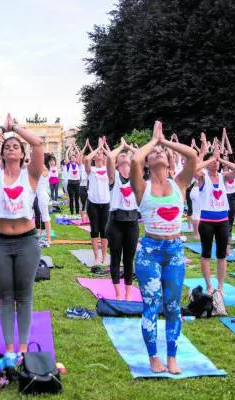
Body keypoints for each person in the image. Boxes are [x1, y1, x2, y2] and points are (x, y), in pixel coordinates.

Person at [131, 121, 198, 374]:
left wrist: (164, 142)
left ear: (170, 161)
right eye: (153, 153)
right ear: (148, 162)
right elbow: (135, 160)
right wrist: (153, 142)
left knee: (172, 306)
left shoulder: (180, 183)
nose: (158, 153)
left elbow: (192, 156)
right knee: (151, 305)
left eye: (162, 153)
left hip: (174, 251)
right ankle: (153, 358)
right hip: (149, 251)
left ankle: (172, 357)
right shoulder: (142, 186)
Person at [0, 114, 43, 360]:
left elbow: (38, 144)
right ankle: (8, 349)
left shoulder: (31, 175)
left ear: (23, 154)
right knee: (5, 297)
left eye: (16, 146)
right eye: (7, 146)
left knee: (24, 296)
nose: (11, 148)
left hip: (27, 242)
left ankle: (23, 349)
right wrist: (1, 129)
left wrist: (15, 128)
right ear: (2, 154)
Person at [197, 146, 235, 294]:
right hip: (206, 222)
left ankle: (220, 286)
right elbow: (194, 168)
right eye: (212, 161)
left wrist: (220, 158)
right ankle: (209, 285)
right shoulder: (202, 177)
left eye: (216, 161)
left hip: (222, 221)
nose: (215, 163)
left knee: (222, 255)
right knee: (206, 254)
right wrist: (208, 160)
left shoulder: (223, 176)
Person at [106, 138, 139, 300]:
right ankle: (118, 293)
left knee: (129, 259)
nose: (124, 156)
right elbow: (109, 157)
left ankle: (128, 293)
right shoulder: (114, 177)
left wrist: (130, 149)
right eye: (121, 156)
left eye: (126, 156)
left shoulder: (136, 176)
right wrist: (121, 147)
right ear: (117, 163)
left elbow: (140, 156)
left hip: (132, 222)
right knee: (115, 257)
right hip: (115, 223)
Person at [83, 138, 111, 266]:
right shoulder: (91, 170)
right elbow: (87, 159)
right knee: (94, 230)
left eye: (101, 153)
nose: (100, 154)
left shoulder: (108, 168)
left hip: (105, 203)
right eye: (97, 154)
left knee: (104, 231)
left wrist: (104, 147)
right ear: (94, 157)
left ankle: (105, 256)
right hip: (93, 203)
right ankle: (96, 256)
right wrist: (98, 148)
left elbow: (112, 157)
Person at [64, 150, 82, 216]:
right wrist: (69, 149)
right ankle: (72, 213)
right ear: (70, 159)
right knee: (71, 199)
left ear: (76, 159)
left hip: (77, 184)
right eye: (71, 157)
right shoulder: (68, 165)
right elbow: (66, 155)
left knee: (77, 199)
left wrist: (75, 147)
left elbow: (79, 155)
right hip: (70, 184)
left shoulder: (78, 165)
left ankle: (77, 213)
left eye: (74, 157)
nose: (73, 158)